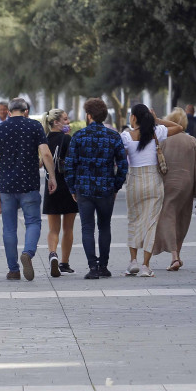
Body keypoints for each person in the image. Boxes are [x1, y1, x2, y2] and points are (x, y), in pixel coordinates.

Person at [0, 97, 57, 281]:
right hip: (30, 184)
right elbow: (46, 154)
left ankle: (13, 270)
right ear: (26, 111)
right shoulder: (34, 127)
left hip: (7, 186)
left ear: (9, 112)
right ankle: (28, 252)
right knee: (33, 222)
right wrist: (52, 177)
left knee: (9, 228)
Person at [65, 98, 128, 279]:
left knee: (87, 228)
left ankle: (92, 267)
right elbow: (123, 166)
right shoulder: (113, 136)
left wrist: (72, 188)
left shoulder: (79, 136)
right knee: (104, 226)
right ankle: (104, 266)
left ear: (89, 115)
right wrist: (116, 186)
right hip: (106, 189)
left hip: (84, 189)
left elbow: (70, 165)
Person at [120, 103, 184, 277]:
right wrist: (156, 120)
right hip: (154, 181)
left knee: (133, 219)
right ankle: (145, 266)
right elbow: (179, 127)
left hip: (134, 180)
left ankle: (132, 261)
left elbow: (121, 158)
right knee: (150, 224)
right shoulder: (157, 132)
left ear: (133, 117)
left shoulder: (126, 137)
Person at [153, 107, 196, 271]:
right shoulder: (191, 141)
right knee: (182, 218)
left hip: (168, 183)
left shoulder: (163, 139)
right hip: (187, 184)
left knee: (167, 216)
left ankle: (174, 256)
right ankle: (178, 255)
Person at [42, 108, 78, 277]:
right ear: (56, 122)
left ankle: (52, 254)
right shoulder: (68, 138)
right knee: (68, 228)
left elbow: (41, 162)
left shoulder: (44, 140)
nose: (67, 122)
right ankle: (64, 263)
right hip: (68, 186)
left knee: (53, 228)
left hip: (51, 185)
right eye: (65, 119)